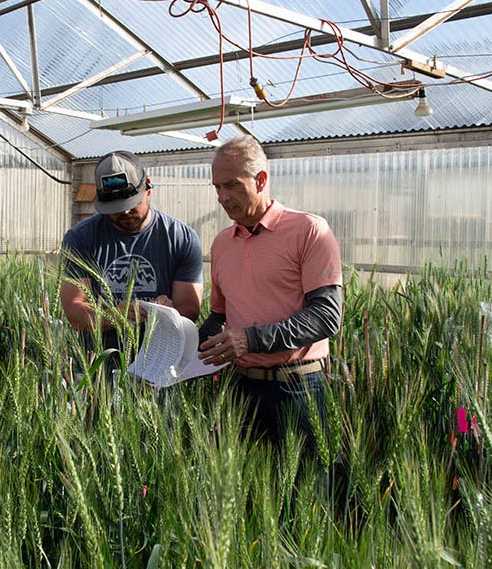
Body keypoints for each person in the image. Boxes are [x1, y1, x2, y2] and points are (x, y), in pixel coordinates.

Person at [197, 136, 343, 445]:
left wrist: (249, 340)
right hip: (240, 390)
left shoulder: (310, 231)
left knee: (305, 490)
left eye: (232, 186)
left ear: (261, 180)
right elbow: (220, 315)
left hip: (298, 388)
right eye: (217, 188)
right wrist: (187, 343)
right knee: (243, 493)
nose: (222, 198)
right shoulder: (222, 243)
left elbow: (326, 317)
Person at [60, 150, 204, 361]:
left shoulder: (181, 238)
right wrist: (115, 316)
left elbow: (190, 308)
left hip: (159, 364)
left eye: (130, 203)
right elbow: (75, 313)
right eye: (115, 208)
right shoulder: (81, 238)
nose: (125, 213)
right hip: (98, 369)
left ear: (147, 187)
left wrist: (168, 312)